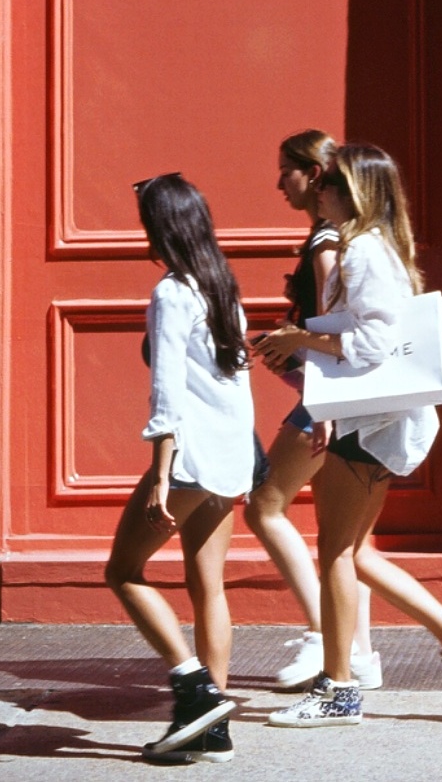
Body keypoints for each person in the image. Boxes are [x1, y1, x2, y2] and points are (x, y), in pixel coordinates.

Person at [256, 144, 442, 727]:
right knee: (353, 551)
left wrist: (298, 341)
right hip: (376, 423)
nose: (320, 192)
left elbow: (370, 346)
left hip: (368, 425)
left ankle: (339, 689)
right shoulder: (381, 245)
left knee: (337, 551)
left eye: (332, 184)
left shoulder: (361, 250)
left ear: (354, 191)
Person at [104, 173, 257, 764]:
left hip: (190, 459)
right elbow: (234, 384)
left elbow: (167, 393)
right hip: (227, 458)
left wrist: (161, 473)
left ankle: (194, 690)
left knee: (123, 571)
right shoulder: (221, 285)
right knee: (207, 585)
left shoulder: (172, 292)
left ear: (158, 228)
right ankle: (214, 732)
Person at [243, 129, 380, 691]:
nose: (279, 183)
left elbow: (332, 329)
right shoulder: (330, 235)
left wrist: (316, 398)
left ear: (314, 174)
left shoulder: (325, 242)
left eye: (287, 172)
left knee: (263, 506)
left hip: (328, 402)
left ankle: (325, 636)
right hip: (335, 400)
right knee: (343, 539)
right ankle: (360, 655)